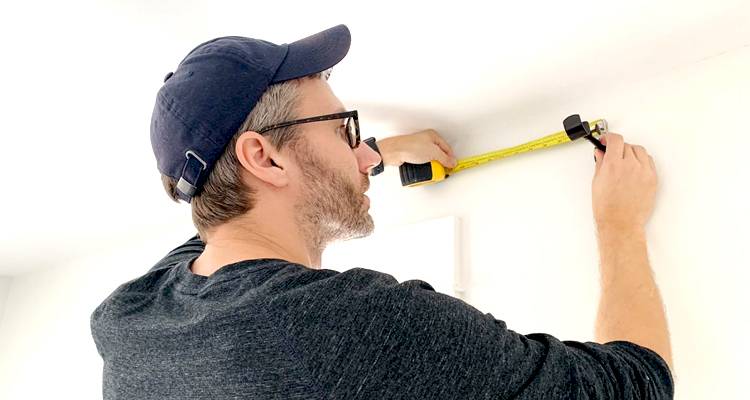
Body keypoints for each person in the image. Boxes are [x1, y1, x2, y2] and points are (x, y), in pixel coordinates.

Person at [90, 24, 674, 399]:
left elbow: (227, 216)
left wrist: (376, 154)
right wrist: (618, 223)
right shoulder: (346, 324)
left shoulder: (131, 316)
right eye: (347, 129)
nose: (363, 152)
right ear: (263, 156)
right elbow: (635, 386)